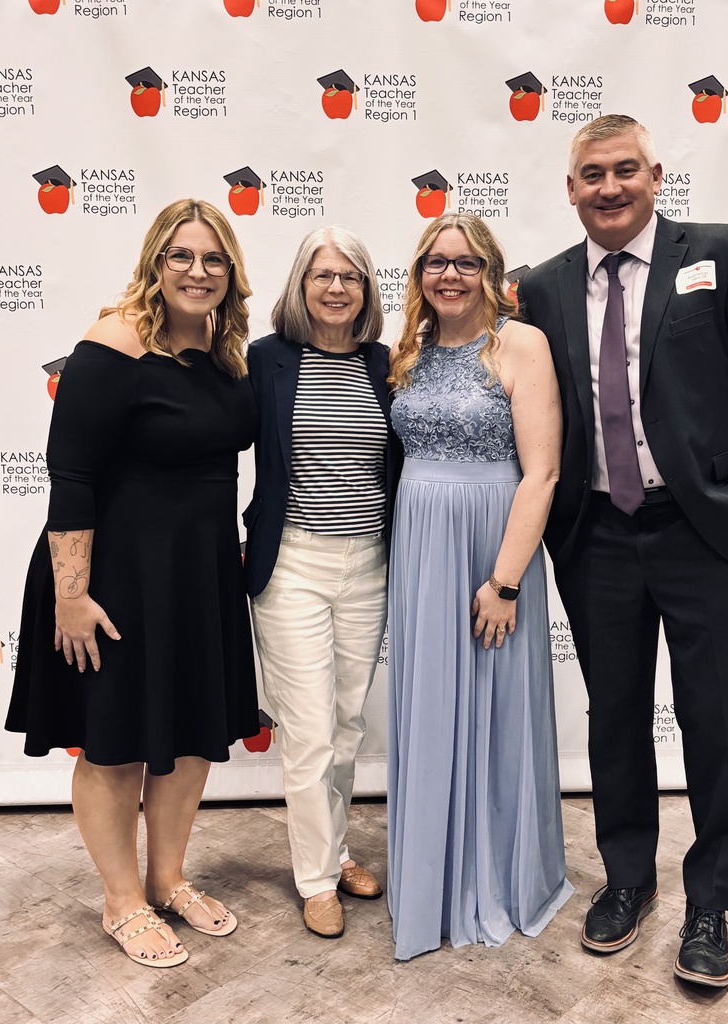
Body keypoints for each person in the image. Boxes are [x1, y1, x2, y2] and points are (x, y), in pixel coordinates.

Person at [518, 114, 728, 988]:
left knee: (717, 721)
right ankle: (628, 878)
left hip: (704, 527)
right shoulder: (543, 286)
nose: (609, 188)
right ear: (569, 190)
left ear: (653, 175)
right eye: (591, 175)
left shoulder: (724, 252)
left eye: (624, 171)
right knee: (614, 718)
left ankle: (710, 900)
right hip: (596, 532)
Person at [5, 199, 260, 968]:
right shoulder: (112, 345)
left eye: (214, 259)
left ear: (231, 274)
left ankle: (168, 877)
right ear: (155, 262)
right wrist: (71, 595)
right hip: (112, 577)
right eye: (181, 256)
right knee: (114, 743)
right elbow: (71, 477)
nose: (198, 271)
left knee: (187, 742)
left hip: (198, 574)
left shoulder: (226, 349)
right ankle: (121, 900)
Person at [387, 212, 574, 962]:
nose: (450, 275)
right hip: (418, 543)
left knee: (497, 707)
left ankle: (499, 873)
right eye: (436, 262)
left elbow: (543, 471)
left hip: (493, 542)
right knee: (429, 703)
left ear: (492, 273)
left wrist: (504, 580)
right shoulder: (410, 348)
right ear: (419, 273)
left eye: (466, 263)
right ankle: (429, 878)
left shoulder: (520, 344)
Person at [244, 226, 399, 940]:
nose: (336, 288)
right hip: (294, 566)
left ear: (367, 291)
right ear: (300, 285)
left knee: (344, 728)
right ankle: (314, 880)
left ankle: (334, 853)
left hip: (368, 565)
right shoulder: (268, 360)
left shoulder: (384, 363)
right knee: (306, 732)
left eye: (351, 277)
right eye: (322, 275)